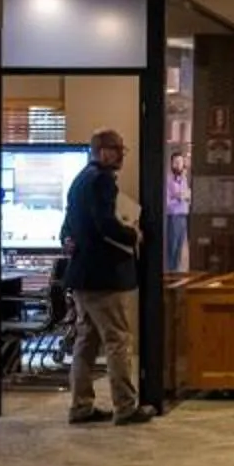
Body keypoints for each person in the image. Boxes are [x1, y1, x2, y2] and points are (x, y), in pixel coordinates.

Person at [61, 129, 150, 426]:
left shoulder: (79, 179)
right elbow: (105, 225)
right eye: (118, 149)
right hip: (104, 275)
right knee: (118, 339)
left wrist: (68, 240)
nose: (122, 154)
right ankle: (125, 406)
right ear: (103, 151)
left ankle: (81, 405)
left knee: (86, 341)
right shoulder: (101, 180)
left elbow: (68, 224)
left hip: (82, 274)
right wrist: (133, 233)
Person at [164, 158, 191, 273]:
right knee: (173, 246)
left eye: (180, 162)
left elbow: (187, 197)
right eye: (176, 162)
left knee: (181, 246)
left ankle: (177, 272)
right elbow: (166, 202)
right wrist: (179, 197)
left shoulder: (184, 180)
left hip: (184, 216)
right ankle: (170, 272)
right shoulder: (168, 180)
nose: (179, 165)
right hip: (173, 216)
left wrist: (185, 197)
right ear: (171, 164)